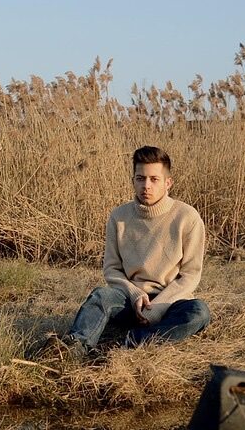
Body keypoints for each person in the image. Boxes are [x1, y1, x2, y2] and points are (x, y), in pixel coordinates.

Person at [51, 145, 211, 360]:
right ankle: (75, 346)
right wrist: (134, 294)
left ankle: (133, 341)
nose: (146, 186)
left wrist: (157, 307)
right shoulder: (119, 217)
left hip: (170, 302)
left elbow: (190, 275)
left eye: (154, 179)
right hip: (129, 300)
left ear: (168, 183)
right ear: (133, 180)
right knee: (101, 296)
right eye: (140, 178)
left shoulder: (187, 217)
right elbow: (112, 269)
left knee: (199, 312)